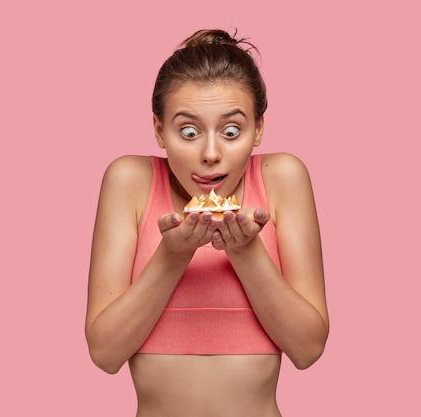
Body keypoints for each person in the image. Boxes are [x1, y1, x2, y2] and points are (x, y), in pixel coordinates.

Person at [85, 28, 329, 417]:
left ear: (259, 129)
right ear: (159, 130)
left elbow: (308, 349)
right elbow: (105, 353)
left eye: (231, 132)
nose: (210, 153)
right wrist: (172, 255)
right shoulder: (129, 181)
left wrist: (246, 251)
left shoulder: (282, 177)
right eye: (188, 131)